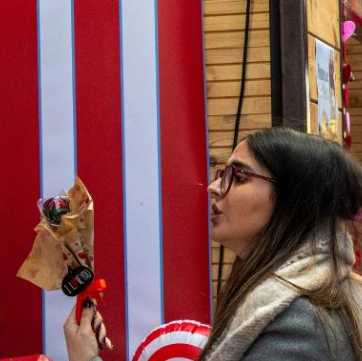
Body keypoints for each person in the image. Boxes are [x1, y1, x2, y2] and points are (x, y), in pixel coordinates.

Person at [63, 127, 362, 361]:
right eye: (223, 174)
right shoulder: (305, 299)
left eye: (239, 176)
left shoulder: (299, 322)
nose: (213, 187)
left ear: (293, 202)